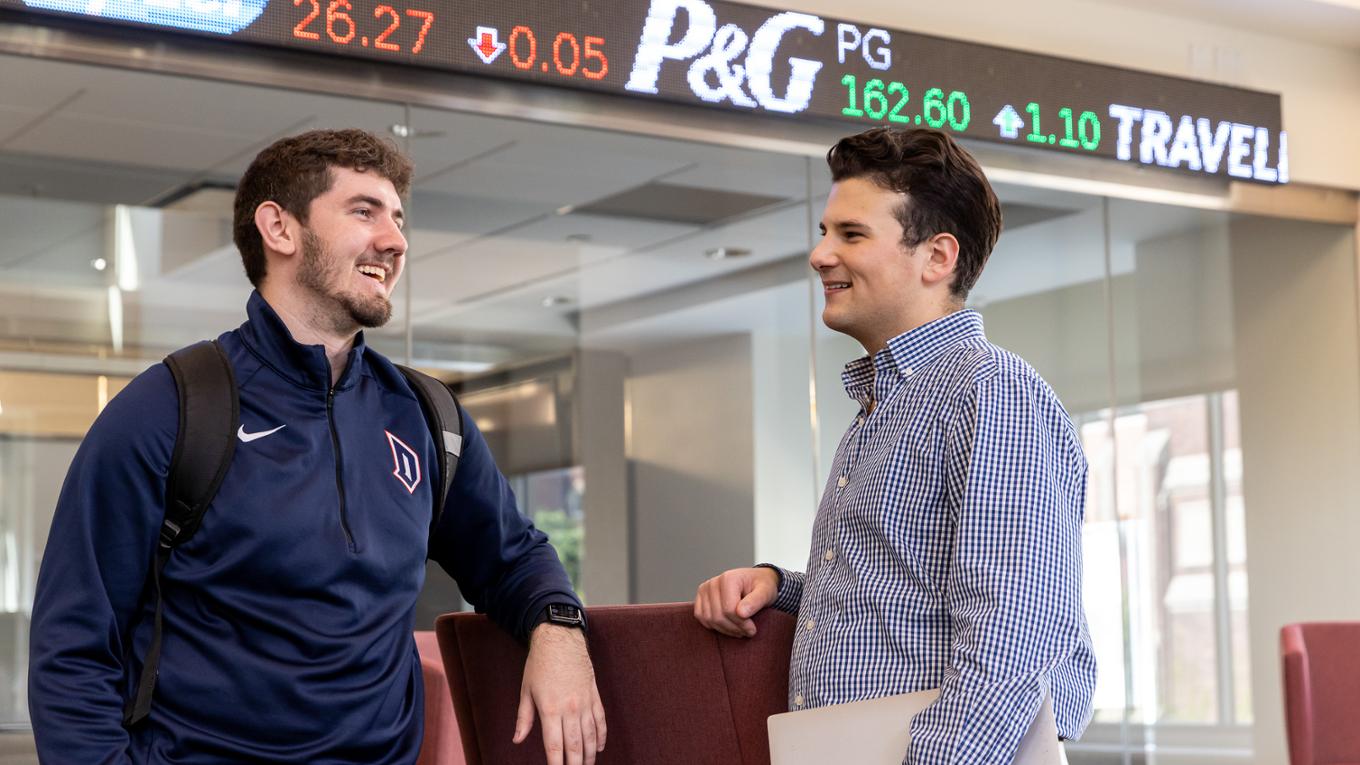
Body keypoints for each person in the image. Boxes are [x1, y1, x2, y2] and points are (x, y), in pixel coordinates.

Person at [29, 129, 606, 765]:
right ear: (280, 228)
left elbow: (513, 557)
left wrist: (560, 631)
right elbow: (74, 645)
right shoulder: (170, 407)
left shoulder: (425, 415)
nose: (395, 240)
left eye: (398, 218)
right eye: (363, 211)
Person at [694, 127, 1096, 762]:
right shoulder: (884, 406)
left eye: (851, 235)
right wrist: (781, 585)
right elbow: (897, 589)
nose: (820, 254)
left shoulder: (993, 393)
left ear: (937, 258)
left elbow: (1012, 634)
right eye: (825, 232)